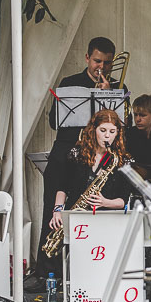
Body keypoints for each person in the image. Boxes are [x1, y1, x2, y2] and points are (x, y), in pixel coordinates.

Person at [28, 36, 122, 289]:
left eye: (107, 63)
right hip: (66, 156)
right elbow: (53, 121)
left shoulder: (116, 88)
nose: (101, 67)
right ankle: (45, 273)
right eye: (97, 61)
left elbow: (119, 126)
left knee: (90, 212)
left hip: (95, 160)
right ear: (87, 58)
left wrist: (108, 98)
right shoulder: (70, 84)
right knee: (53, 212)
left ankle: (83, 270)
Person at [42, 110, 133, 281]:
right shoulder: (77, 154)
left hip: (106, 219)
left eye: (112, 132)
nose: (107, 136)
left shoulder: (122, 160)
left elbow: (123, 200)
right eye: (103, 130)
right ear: (93, 130)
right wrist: (57, 210)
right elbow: (62, 187)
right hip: (78, 217)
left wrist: (105, 202)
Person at [126, 94, 151, 190]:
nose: (138, 119)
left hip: (149, 187)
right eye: (135, 115)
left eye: (143, 115)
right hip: (127, 186)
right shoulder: (127, 135)